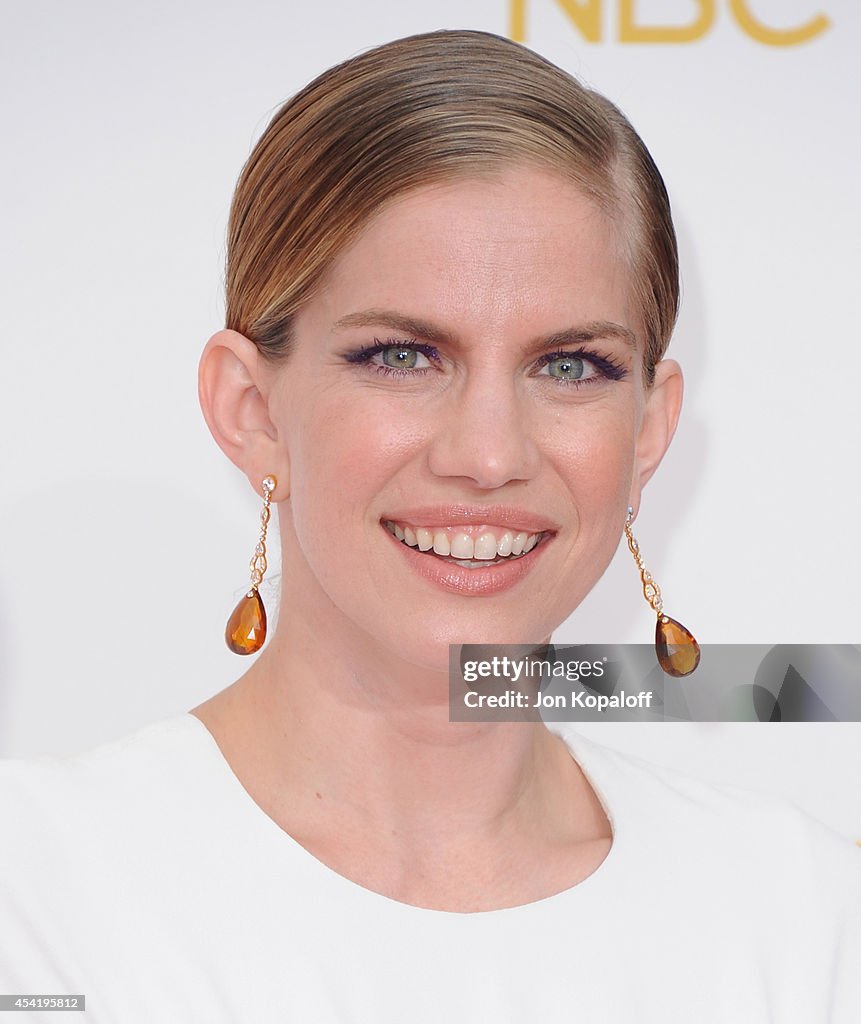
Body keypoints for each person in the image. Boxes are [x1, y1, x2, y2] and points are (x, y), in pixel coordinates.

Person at [0, 28, 858, 1023]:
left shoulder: (798, 918)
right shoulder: (35, 891)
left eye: (571, 365)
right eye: (403, 356)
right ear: (250, 409)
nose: (489, 454)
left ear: (649, 431)